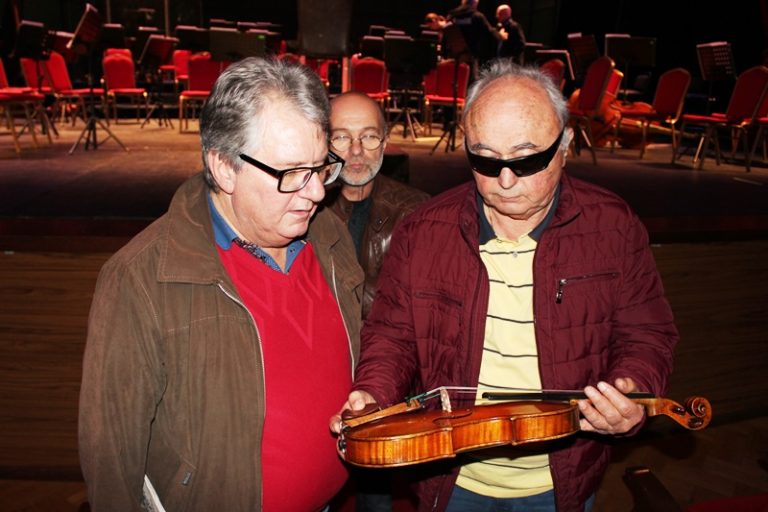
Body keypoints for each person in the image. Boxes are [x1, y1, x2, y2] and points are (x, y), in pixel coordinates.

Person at [331, 60, 678, 512]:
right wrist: (373, 393)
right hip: (449, 476)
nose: (506, 181)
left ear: (565, 146)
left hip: (563, 479)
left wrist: (631, 389)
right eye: (485, 160)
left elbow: (646, 335)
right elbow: (392, 335)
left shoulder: (613, 226)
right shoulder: (423, 230)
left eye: (527, 159)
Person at [79, 57, 364, 512]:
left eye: (320, 168)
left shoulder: (329, 234)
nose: (315, 193)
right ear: (224, 167)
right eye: (292, 173)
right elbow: (111, 457)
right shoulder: (139, 277)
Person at [325, 91, 430, 318]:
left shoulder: (417, 213)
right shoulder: (304, 209)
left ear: (385, 142)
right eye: (341, 137)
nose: (356, 150)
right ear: (324, 144)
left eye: (369, 136)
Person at [445, 0, 501, 71]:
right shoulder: (477, 16)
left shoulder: (452, 16)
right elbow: (490, 33)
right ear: (474, 3)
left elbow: (446, 31)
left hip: (452, 56)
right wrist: (500, 35)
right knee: (470, 76)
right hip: (470, 56)